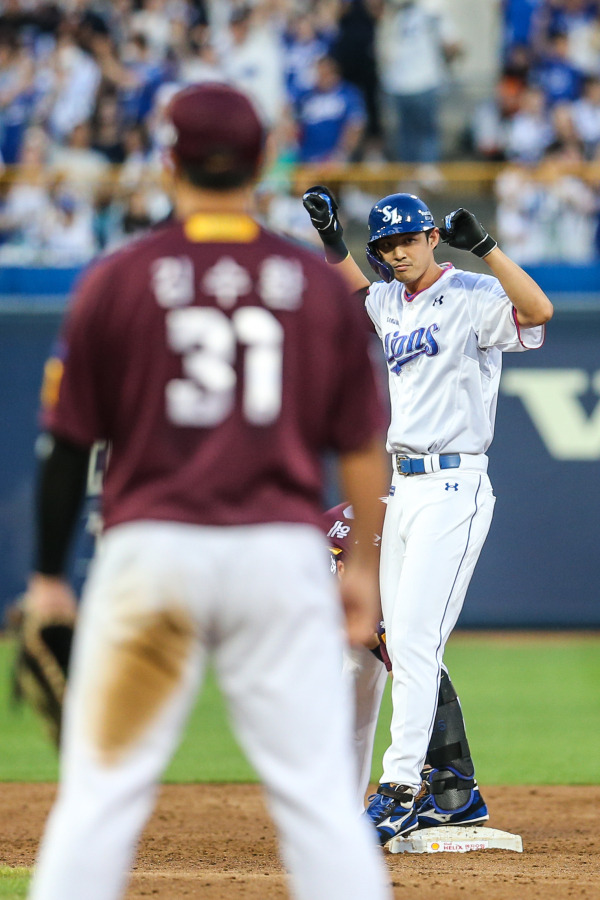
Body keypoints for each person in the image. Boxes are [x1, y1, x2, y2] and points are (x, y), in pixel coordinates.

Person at [26, 83, 392, 900]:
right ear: (263, 162)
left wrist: (50, 575)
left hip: (150, 554)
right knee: (318, 800)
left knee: (101, 794)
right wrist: (362, 568)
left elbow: (67, 446)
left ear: (166, 161)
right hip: (280, 555)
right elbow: (363, 445)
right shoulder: (311, 283)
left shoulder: (118, 279)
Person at [303, 184, 553, 845]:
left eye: (407, 239)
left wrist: (490, 249)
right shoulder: (389, 299)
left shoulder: (471, 294)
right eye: (385, 245)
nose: (396, 252)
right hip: (403, 488)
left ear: (431, 237)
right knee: (392, 641)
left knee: (413, 642)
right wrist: (333, 242)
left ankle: (399, 787)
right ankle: (449, 794)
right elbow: (360, 300)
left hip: (454, 482)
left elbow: (539, 310)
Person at [323, 501, 489, 827]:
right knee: (356, 668)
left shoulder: (367, 569)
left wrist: (376, 639)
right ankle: (342, 807)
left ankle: (455, 792)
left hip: (415, 533)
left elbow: (406, 667)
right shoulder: (311, 552)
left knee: (411, 661)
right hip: (369, 545)